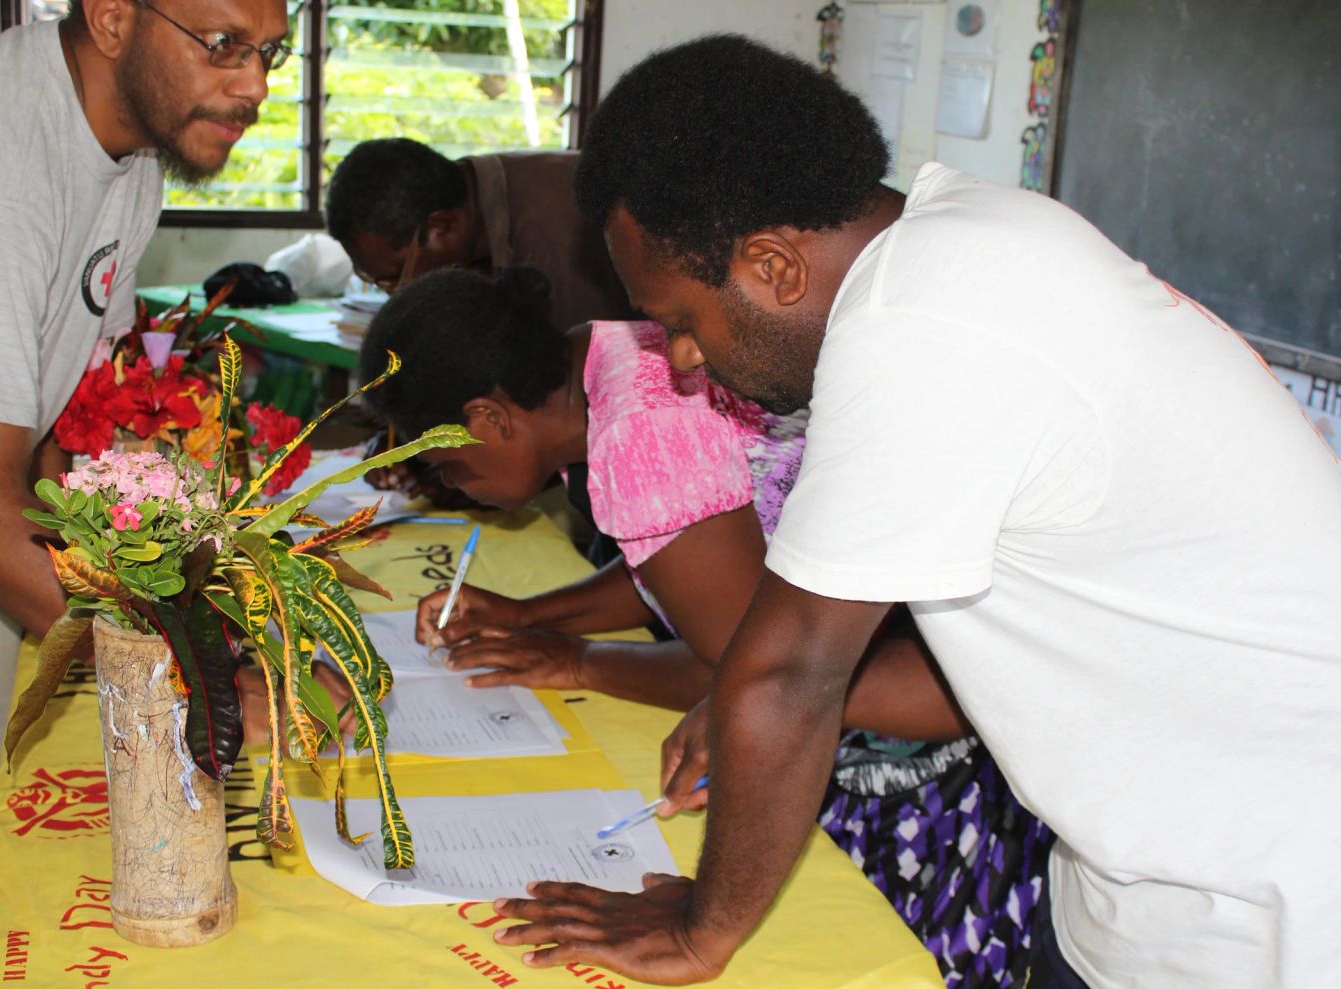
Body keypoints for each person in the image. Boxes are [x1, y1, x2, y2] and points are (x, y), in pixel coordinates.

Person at [483, 35, 1341, 989]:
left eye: (683, 320)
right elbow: (927, 631)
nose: (683, 361)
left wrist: (701, 928)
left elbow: (789, 670)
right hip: (1148, 874)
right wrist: (735, 699)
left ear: (774, 266)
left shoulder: (918, 322)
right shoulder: (961, 250)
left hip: (1316, 892)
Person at [360, 267, 1052, 988]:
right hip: (909, 669)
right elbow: (690, 558)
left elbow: (750, 671)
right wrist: (532, 614)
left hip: (922, 752)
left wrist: (578, 660)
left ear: (489, 418)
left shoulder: (636, 432)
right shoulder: (619, 354)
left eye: (447, 468)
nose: (449, 487)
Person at [0, 0, 285, 984]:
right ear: (110, 19)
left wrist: (194, 583)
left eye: (269, 51)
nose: (255, 84)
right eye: (223, 44)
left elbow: (67, 427)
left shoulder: (126, 153)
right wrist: (201, 678)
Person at [325, 138, 636, 329]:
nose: (394, 295)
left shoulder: (555, 242)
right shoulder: (466, 192)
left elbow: (585, 393)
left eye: (395, 280)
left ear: (442, 227)